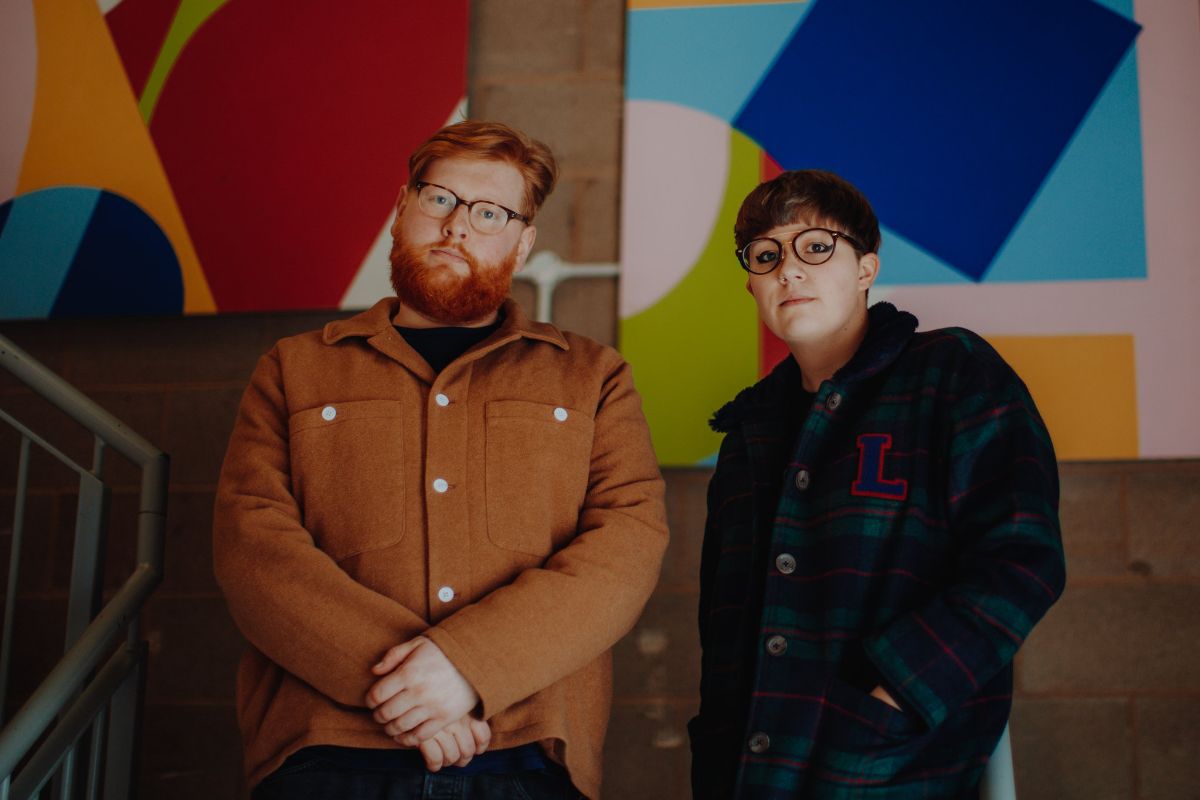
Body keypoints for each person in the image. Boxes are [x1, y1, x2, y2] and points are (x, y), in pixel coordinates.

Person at [213, 120, 668, 800]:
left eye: (490, 213)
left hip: (527, 759)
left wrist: (468, 667)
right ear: (403, 207)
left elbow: (625, 549)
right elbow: (253, 549)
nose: (457, 226)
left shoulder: (594, 378)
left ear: (521, 243)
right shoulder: (293, 369)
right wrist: (418, 691)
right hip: (325, 758)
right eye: (440, 199)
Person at [688, 170, 1066, 798]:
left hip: (896, 769)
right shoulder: (746, 436)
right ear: (752, 283)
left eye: (816, 247)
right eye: (766, 256)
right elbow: (724, 635)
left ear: (866, 268)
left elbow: (1022, 561)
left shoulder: (950, 372)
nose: (789, 270)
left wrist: (893, 697)